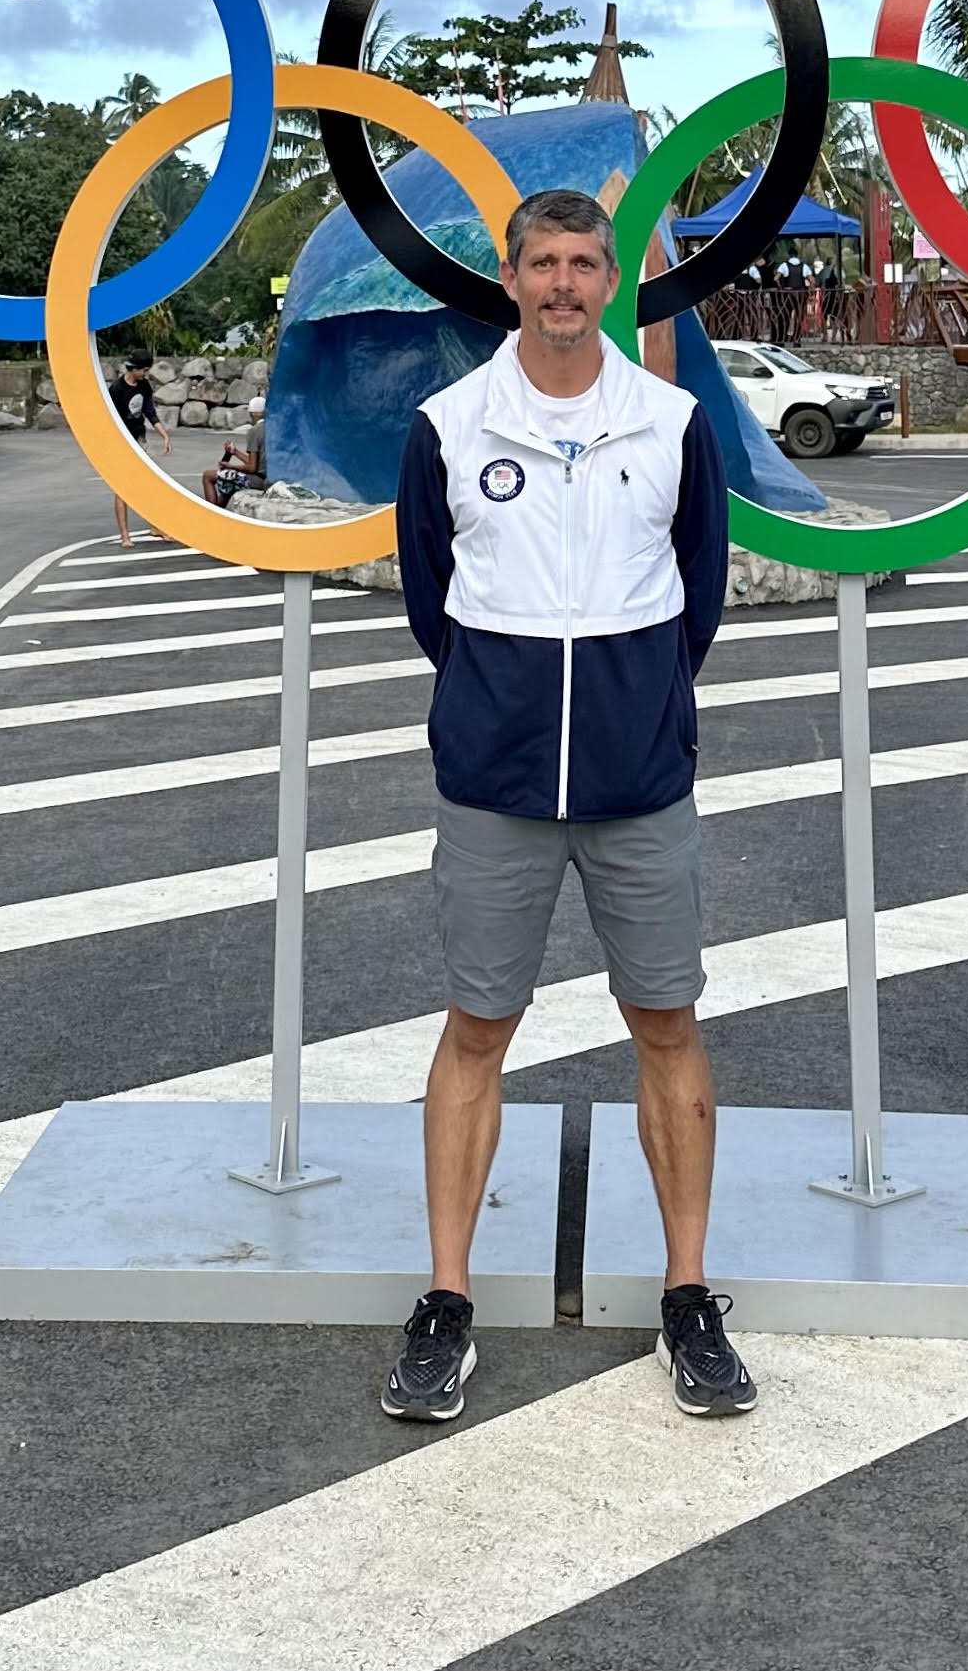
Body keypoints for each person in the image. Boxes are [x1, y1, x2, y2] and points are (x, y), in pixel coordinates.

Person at [387, 187, 754, 1425]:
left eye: (582, 262)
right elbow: (433, 598)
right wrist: (503, 699)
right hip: (490, 780)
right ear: (509, 277)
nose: (560, 283)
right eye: (539, 262)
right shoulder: (447, 422)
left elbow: (695, 592)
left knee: (667, 1023)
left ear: (611, 280)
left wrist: (633, 699)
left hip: (638, 776)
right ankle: (444, 1298)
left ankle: (688, 1292)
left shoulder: (671, 419)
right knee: (476, 1026)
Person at [105, 353, 172, 546]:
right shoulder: (117, 389)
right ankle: (125, 536)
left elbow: (149, 412)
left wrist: (164, 435)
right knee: (122, 489)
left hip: (140, 438)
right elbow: (111, 418)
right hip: (121, 442)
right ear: (133, 368)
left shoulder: (144, 386)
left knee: (152, 482)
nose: (146, 373)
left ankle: (157, 526)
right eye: (144, 369)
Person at [203, 395, 268, 505]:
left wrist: (231, 466)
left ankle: (210, 512)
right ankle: (219, 510)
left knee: (208, 476)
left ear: (252, 414)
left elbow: (252, 468)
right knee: (229, 483)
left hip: (260, 481)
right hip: (271, 478)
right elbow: (256, 464)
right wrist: (235, 452)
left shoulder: (255, 431)